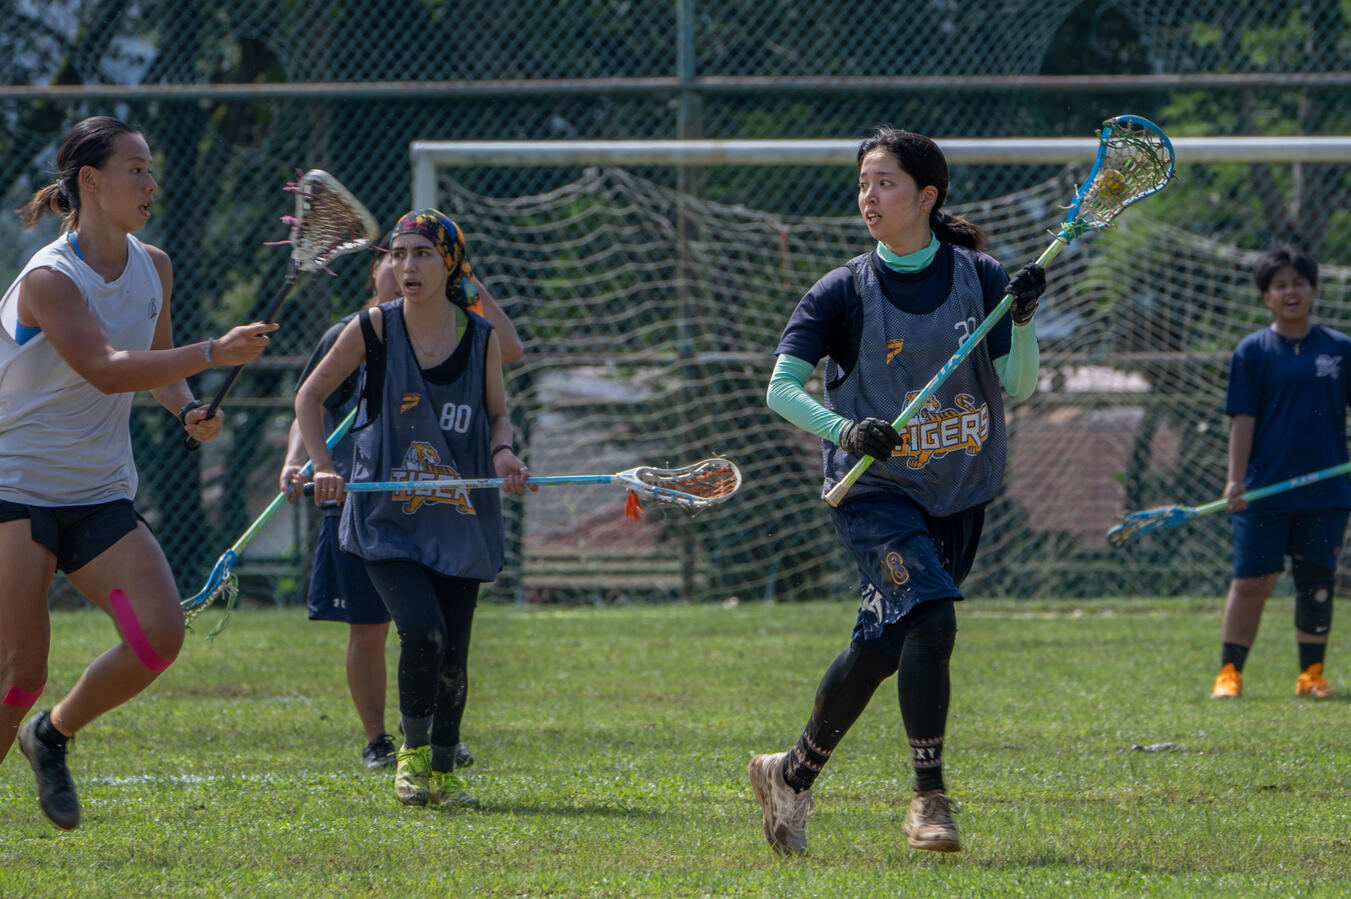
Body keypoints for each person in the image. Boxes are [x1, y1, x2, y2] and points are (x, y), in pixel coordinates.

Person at [748, 127, 1046, 855]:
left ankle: (789, 774)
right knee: (933, 620)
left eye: (885, 183)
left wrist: (1022, 319)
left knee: (885, 643)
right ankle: (928, 799)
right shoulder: (842, 291)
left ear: (926, 196)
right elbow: (781, 389)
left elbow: (1017, 383)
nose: (869, 197)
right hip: (874, 491)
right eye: (863, 183)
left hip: (958, 492)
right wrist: (846, 430)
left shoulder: (980, 277)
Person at [0, 115, 277, 830]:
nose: (151, 183)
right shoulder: (49, 278)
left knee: (159, 635)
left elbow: (155, 368)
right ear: (90, 181)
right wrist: (212, 352)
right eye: (136, 170)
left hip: (97, 492)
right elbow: (106, 367)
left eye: (151, 169)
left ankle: (50, 735)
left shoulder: (153, 265)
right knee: (19, 672)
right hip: (15, 489)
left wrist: (188, 409)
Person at [294, 209, 530, 809]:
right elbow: (310, 396)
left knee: (454, 653)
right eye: (398, 255)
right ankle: (411, 758)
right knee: (422, 632)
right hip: (386, 519)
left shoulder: (480, 338)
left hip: (460, 518)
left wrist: (503, 452)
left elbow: (498, 414)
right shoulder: (373, 328)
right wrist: (322, 465)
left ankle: (445, 772)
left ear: (449, 263)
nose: (407, 266)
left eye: (421, 253)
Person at [1210, 245, 1351, 700]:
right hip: (1263, 490)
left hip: (1326, 491)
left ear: (1313, 290)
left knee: (1316, 583)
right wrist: (1235, 480)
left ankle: (1312, 676)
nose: (1291, 292)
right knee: (1251, 582)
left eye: (1299, 283)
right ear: (1266, 296)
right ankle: (1229, 674)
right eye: (1280, 285)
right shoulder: (1252, 351)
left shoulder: (1340, 349)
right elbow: (1242, 419)